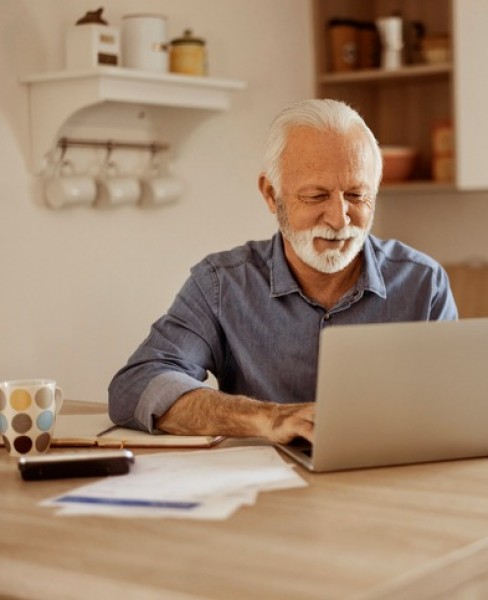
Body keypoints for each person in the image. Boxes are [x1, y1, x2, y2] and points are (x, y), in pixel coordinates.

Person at [108, 99, 458, 444]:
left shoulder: (423, 283)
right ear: (270, 194)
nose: (339, 219)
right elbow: (137, 386)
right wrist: (267, 418)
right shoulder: (220, 284)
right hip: (265, 492)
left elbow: (457, 409)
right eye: (316, 196)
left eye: (356, 195)